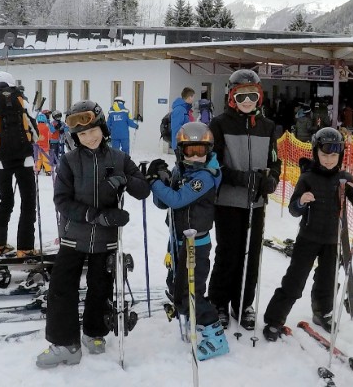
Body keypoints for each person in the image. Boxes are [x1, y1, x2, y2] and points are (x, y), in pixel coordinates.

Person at [36, 100, 149, 368]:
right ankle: (65, 344)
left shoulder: (119, 159)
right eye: (82, 134)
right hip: (73, 235)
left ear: (103, 127)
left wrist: (125, 180)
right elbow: (62, 201)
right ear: (75, 137)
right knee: (62, 288)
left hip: (106, 239)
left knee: (101, 287)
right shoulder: (69, 161)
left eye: (93, 130)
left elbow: (142, 190)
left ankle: (94, 332)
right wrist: (97, 215)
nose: (89, 137)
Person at [262, 127, 353, 340]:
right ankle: (274, 320)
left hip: (332, 239)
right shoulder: (307, 178)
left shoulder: (344, 177)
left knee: (328, 280)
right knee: (294, 280)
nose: (328, 160)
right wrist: (301, 202)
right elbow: (293, 209)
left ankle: (322, 313)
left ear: (340, 156)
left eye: (333, 155)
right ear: (315, 153)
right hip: (308, 238)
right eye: (324, 155)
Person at [147, 122, 229, 360]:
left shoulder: (205, 177)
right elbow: (162, 203)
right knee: (176, 286)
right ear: (181, 151)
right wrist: (162, 179)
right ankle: (189, 318)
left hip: (196, 245)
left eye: (200, 151)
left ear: (209, 151)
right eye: (190, 151)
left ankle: (216, 338)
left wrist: (154, 183)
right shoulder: (182, 172)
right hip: (176, 242)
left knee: (192, 292)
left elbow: (177, 201)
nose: (195, 157)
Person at [207, 69, 281, 330]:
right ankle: (218, 302)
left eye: (252, 96)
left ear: (259, 97)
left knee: (251, 254)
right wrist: (241, 178)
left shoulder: (268, 127)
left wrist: (272, 178)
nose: (247, 101)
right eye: (241, 96)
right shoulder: (219, 124)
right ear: (232, 98)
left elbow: (275, 161)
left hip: (256, 203)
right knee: (228, 253)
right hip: (228, 201)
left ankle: (242, 302)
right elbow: (212, 165)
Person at [0, 71, 39, 256]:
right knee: (28, 203)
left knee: (6, 202)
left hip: (0, 162)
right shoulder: (23, 102)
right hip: (24, 160)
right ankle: (25, 248)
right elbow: (35, 133)